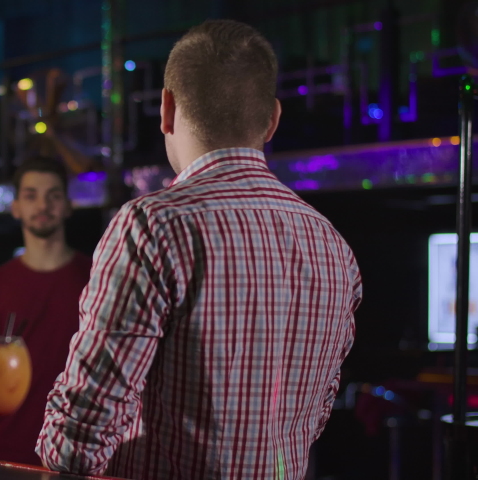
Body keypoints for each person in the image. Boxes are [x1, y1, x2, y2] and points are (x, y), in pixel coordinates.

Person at [37, 20, 362, 479]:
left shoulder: (151, 226)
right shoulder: (332, 246)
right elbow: (314, 417)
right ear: (271, 119)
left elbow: (80, 432)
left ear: (166, 109)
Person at [0, 157, 91, 465]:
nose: (43, 205)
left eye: (53, 195)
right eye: (31, 195)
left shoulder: (98, 279)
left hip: (78, 455)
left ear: (67, 206)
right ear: (16, 207)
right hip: (6, 456)